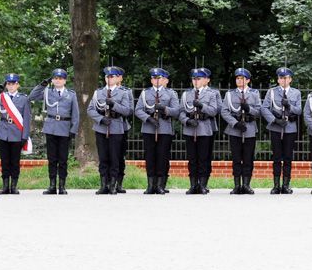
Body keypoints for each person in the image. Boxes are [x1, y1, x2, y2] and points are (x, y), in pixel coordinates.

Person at [29, 68, 80, 195]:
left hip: (64, 128)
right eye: (56, 78)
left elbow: (76, 114)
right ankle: (52, 185)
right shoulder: (47, 92)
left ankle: (62, 186)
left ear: (65, 80)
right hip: (51, 128)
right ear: (52, 80)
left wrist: (73, 130)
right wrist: (42, 85)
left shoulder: (71, 95)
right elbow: (32, 96)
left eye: (61, 78)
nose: (58, 80)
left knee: (63, 159)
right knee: (52, 159)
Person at [0, 73, 32, 194]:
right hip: (3, 132)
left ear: (17, 85)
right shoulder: (1, 97)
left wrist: (24, 136)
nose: (11, 86)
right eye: (8, 84)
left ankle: (14, 186)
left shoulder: (24, 99)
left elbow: (27, 118)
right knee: (4, 161)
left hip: (17, 132)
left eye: (13, 84)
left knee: (15, 161)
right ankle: (5, 186)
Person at [88, 66, 134, 194]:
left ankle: (113, 185)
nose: (109, 78)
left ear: (117, 78)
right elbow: (90, 109)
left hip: (116, 127)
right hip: (101, 127)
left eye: (112, 76)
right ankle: (104, 185)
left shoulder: (123, 93)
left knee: (114, 157)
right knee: (103, 157)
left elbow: (127, 111)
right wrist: (100, 119)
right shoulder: (98, 93)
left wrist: (114, 105)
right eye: (107, 76)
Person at [136, 67, 180, 195]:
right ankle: (150, 185)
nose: (156, 80)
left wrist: (165, 109)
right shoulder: (145, 93)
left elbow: (177, 110)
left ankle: (160, 185)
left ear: (165, 80)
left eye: (158, 78)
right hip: (149, 128)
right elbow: (138, 109)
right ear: (151, 80)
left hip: (164, 128)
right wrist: (148, 118)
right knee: (150, 157)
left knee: (162, 157)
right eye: (154, 78)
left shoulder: (171, 93)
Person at [179, 67, 221, 195]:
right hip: (190, 128)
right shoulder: (186, 94)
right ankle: (193, 184)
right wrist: (186, 121)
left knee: (203, 158)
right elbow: (181, 111)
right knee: (192, 158)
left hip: (205, 128)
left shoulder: (212, 94)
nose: (195, 81)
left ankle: (202, 184)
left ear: (206, 80)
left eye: (198, 78)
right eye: (194, 79)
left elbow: (215, 110)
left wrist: (202, 106)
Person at [221, 67, 263, 194]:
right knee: (236, 158)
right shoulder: (229, 94)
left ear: (248, 80)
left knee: (248, 158)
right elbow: (224, 111)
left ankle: (246, 185)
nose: (239, 80)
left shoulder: (254, 94)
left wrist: (249, 109)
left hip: (249, 129)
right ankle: (237, 185)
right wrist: (235, 123)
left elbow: (259, 111)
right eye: (237, 78)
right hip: (235, 129)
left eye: (242, 78)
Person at [262, 67, 303, 194]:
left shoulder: (296, 93)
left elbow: (299, 110)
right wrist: (274, 120)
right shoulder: (272, 92)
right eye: (281, 78)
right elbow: (264, 108)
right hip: (276, 127)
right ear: (278, 80)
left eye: (285, 78)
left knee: (288, 157)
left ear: (290, 79)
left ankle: (286, 185)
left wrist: (289, 106)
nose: (283, 80)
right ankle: (276, 185)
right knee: (276, 157)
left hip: (289, 128)